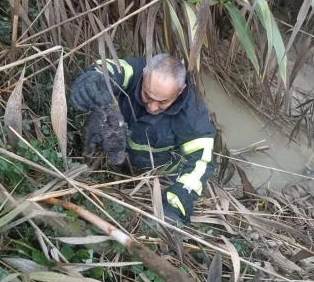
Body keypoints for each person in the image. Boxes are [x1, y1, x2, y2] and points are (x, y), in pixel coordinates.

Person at [70, 54, 216, 225]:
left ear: (180, 91)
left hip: (157, 175)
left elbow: (201, 163)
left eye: (163, 102)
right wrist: (92, 80)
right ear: (144, 75)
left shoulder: (193, 117)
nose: (152, 107)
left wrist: (176, 201)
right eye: (147, 95)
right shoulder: (136, 70)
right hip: (117, 159)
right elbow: (107, 68)